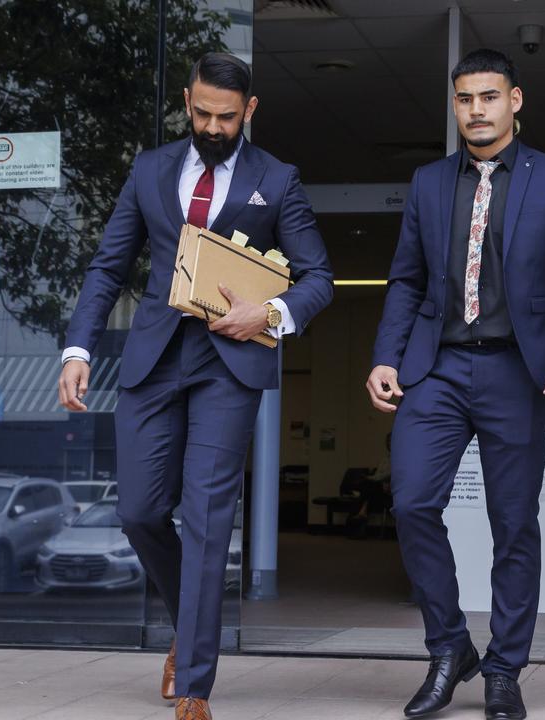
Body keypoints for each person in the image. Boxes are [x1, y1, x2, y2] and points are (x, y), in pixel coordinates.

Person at [56, 53, 333, 720]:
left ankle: (195, 685)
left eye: (227, 117)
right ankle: (191, 621)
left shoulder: (278, 180)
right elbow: (107, 265)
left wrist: (267, 314)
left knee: (208, 518)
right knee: (140, 512)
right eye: (202, 113)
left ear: (251, 112)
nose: (212, 127)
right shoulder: (151, 169)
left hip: (228, 364)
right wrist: (78, 345)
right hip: (154, 357)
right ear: (187, 101)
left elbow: (318, 278)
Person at [365, 49, 545, 720]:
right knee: (410, 504)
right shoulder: (429, 182)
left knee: (512, 526)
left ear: (515, 101)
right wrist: (387, 355)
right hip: (434, 368)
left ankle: (504, 668)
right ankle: (448, 649)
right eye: (465, 97)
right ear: (455, 104)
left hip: (515, 371)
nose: (476, 109)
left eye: (489, 97)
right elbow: (407, 278)